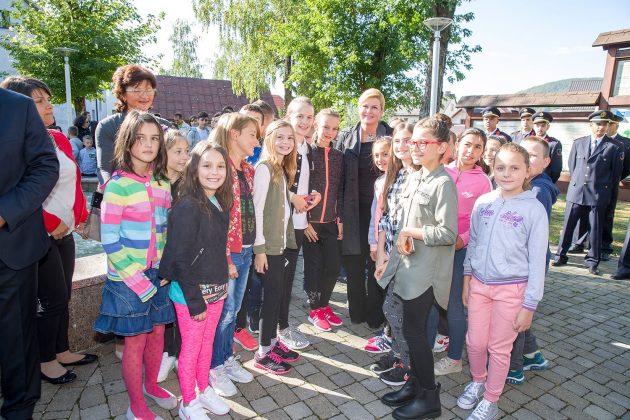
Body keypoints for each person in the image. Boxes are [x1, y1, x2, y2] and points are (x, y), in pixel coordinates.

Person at [2, 76, 98, 385]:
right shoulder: (13, 144)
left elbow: (71, 181)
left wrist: (79, 216)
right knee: (51, 298)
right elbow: (24, 192)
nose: (48, 105)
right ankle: (45, 360)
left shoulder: (56, 137)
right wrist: (50, 223)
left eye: (48, 99)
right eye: (39, 101)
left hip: (65, 231)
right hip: (37, 234)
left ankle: (61, 349)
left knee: (63, 293)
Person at [93, 111, 178, 420]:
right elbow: (110, 240)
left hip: (159, 274)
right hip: (128, 280)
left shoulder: (162, 182)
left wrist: (167, 267)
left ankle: (151, 385)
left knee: (157, 334)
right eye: (141, 138)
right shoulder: (117, 186)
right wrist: (137, 280)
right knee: (135, 341)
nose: (149, 144)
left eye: (154, 138)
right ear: (128, 142)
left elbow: (166, 230)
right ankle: (136, 406)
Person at [457, 142, 548, 420]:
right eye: (500, 167)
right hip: (479, 286)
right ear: (492, 168)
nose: (507, 174)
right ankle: (478, 380)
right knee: (475, 342)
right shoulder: (484, 202)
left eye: (514, 168)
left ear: (527, 171)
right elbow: (473, 243)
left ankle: (491, 398)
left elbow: (537, 261)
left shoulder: (534, 210)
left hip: (512, 291)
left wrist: (529, 305)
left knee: (499, 348)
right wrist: (467, 278)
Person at [377, 117, 458, 419]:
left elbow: (448, 233)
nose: (415, 147)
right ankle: (414, 385)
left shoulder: (442, 183)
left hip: (425, 275)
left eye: (423, 142)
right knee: (410, 333)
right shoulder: (416, 176)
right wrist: (389, 260)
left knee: (415, 334)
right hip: (406, 267)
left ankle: (429, 398)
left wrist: (411, 232)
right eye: (414, 142)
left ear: (442, 147)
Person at [159, 143, 233, 420]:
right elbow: (180, 257)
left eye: (220, 166)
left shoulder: (219, 201)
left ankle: (204, 389)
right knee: (190, 349)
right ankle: (188, 401)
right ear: (194, 168)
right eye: (207, 165)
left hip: (216, 291)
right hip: (192, 295)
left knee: (207, 343)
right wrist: (194, 300)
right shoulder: (188, 205)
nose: (215, 172)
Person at [0, 86, 59, 420]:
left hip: (11, 244)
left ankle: (19, 410)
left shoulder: (17, 107)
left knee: (17, 337)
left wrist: (5, 212)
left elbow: (45, 166)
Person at [427, 128, 492, 379]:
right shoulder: (442, 171)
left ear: (482, 152)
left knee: (453, 305)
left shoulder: (483, 182)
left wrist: (462, 240)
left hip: (459, 252)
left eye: (477, 147)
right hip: (434, 247)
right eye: (467, 144)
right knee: (431, 301)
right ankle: (425, 350)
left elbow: (482, 223)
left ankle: (454, 358)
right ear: (456, 145)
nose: (470, 151)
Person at [209, 113, 259, 397]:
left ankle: (226, 357)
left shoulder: (247, 170)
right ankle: (214, 365)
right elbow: (215, 219)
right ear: (234, 134)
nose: (257, 141)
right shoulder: (219, 169)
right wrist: (226, 257)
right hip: (228, 253)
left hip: (246, 249)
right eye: (252, 134)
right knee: (224, 312)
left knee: (233, 311)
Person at [337, 88, 393, 327]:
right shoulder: (346, 136)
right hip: (353, 211)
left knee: (377, 261)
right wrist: (339, 215)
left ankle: (375, 316)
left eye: (374, 107)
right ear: (359, 108)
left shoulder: (391, 136)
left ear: (381, 111)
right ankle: (357, 312)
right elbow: (338, 178)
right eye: (365, 106)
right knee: (354, 263)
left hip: (382, 212)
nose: (369, 111)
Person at [369, 123, 419, 387]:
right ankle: (398, 355)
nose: (401, 146)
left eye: (407, 140)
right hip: (390, 255)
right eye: (397, 141)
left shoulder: (421, 177)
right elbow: (385, 219)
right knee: (391, 309)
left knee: (399, 312)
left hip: (410, 259)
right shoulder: (396, 175)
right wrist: (381, 256)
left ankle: (408, 366)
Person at [506, 136, 559, 385]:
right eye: (522, 152)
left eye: (533, 155)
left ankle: (514, 367)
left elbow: (530, 235)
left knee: (513, 319)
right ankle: (533, 355)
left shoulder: (537, 191)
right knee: (518, 315)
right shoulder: (528, 185)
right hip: (522, 263)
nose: (526, 158)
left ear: (546, 162)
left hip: (524, 265)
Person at [253, 119, 300, 374]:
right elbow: (257, 211)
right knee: (270, 299)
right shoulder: (264, 169)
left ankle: (272, 343)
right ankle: (263, 352)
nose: (285, 142)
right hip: (267, 248)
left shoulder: (280, 169)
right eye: (279, 137)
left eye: (289, 138)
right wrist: (260, 250)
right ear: (269, 138)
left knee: (278, 295)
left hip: (278, 246)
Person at [552, 110, 624, 275]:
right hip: (577, 191)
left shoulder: (615, 146)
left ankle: (592, 261)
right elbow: (573, 166)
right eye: (598, 124)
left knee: (595, 229)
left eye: (604, 124)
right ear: (591, 125)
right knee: (568, 226)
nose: (601, 127)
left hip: (597, 194)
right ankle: (560, 256)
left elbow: (615, 175)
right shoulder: (579, 143)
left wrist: (602, 190)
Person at [279, 96, 321, 350]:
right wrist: (292, 196)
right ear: (288, 117)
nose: (305, 121)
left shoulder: (308, 148)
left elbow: (306, 183)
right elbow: (272, 183)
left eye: (309, 117)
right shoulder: (283, 147)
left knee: (288, 277)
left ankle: (281, 324)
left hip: (299, 222)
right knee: (280, 279)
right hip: (281, 225)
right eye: (299, 116)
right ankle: (279, 327)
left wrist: (314, 195)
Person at [303, 108, 344, 332]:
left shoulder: (339, 157)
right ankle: (314, 310)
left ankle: (324, 305)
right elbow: (298, 189)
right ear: (316, 125)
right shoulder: (307, 153)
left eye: (334, 128)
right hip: (310, 224)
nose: (330, 132)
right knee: (313, 269)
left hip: (330, 223)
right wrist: (304, 220)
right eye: (326, 126)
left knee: (333, 267)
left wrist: (340, 219)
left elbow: (340, 190)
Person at [95, 64, 172, 184]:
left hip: (159, 190)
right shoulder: (108, 126)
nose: (144, 95)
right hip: (122, 190)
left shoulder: (166, 127)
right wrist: (112, 190)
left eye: (149, 90)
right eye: (137, 90)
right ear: (123, 94)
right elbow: (105, 169)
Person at [157, 128, 190, 383]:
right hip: (159, 255)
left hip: (183, 255)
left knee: (181, 306)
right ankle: (166, 352)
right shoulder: (155, 182)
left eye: (186, 151)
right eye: (177, 151)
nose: (183, 156)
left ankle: (179, 353)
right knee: (164, 308)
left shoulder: (189, 184)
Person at [531, 111, 563, 183]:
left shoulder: (554, 144)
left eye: (543, 126)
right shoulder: (528, 142)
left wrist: (548, 182)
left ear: (548, 127)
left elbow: (556, 169)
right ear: (533, 126)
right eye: (537, 125)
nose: (540, 128)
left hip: (544, 181)